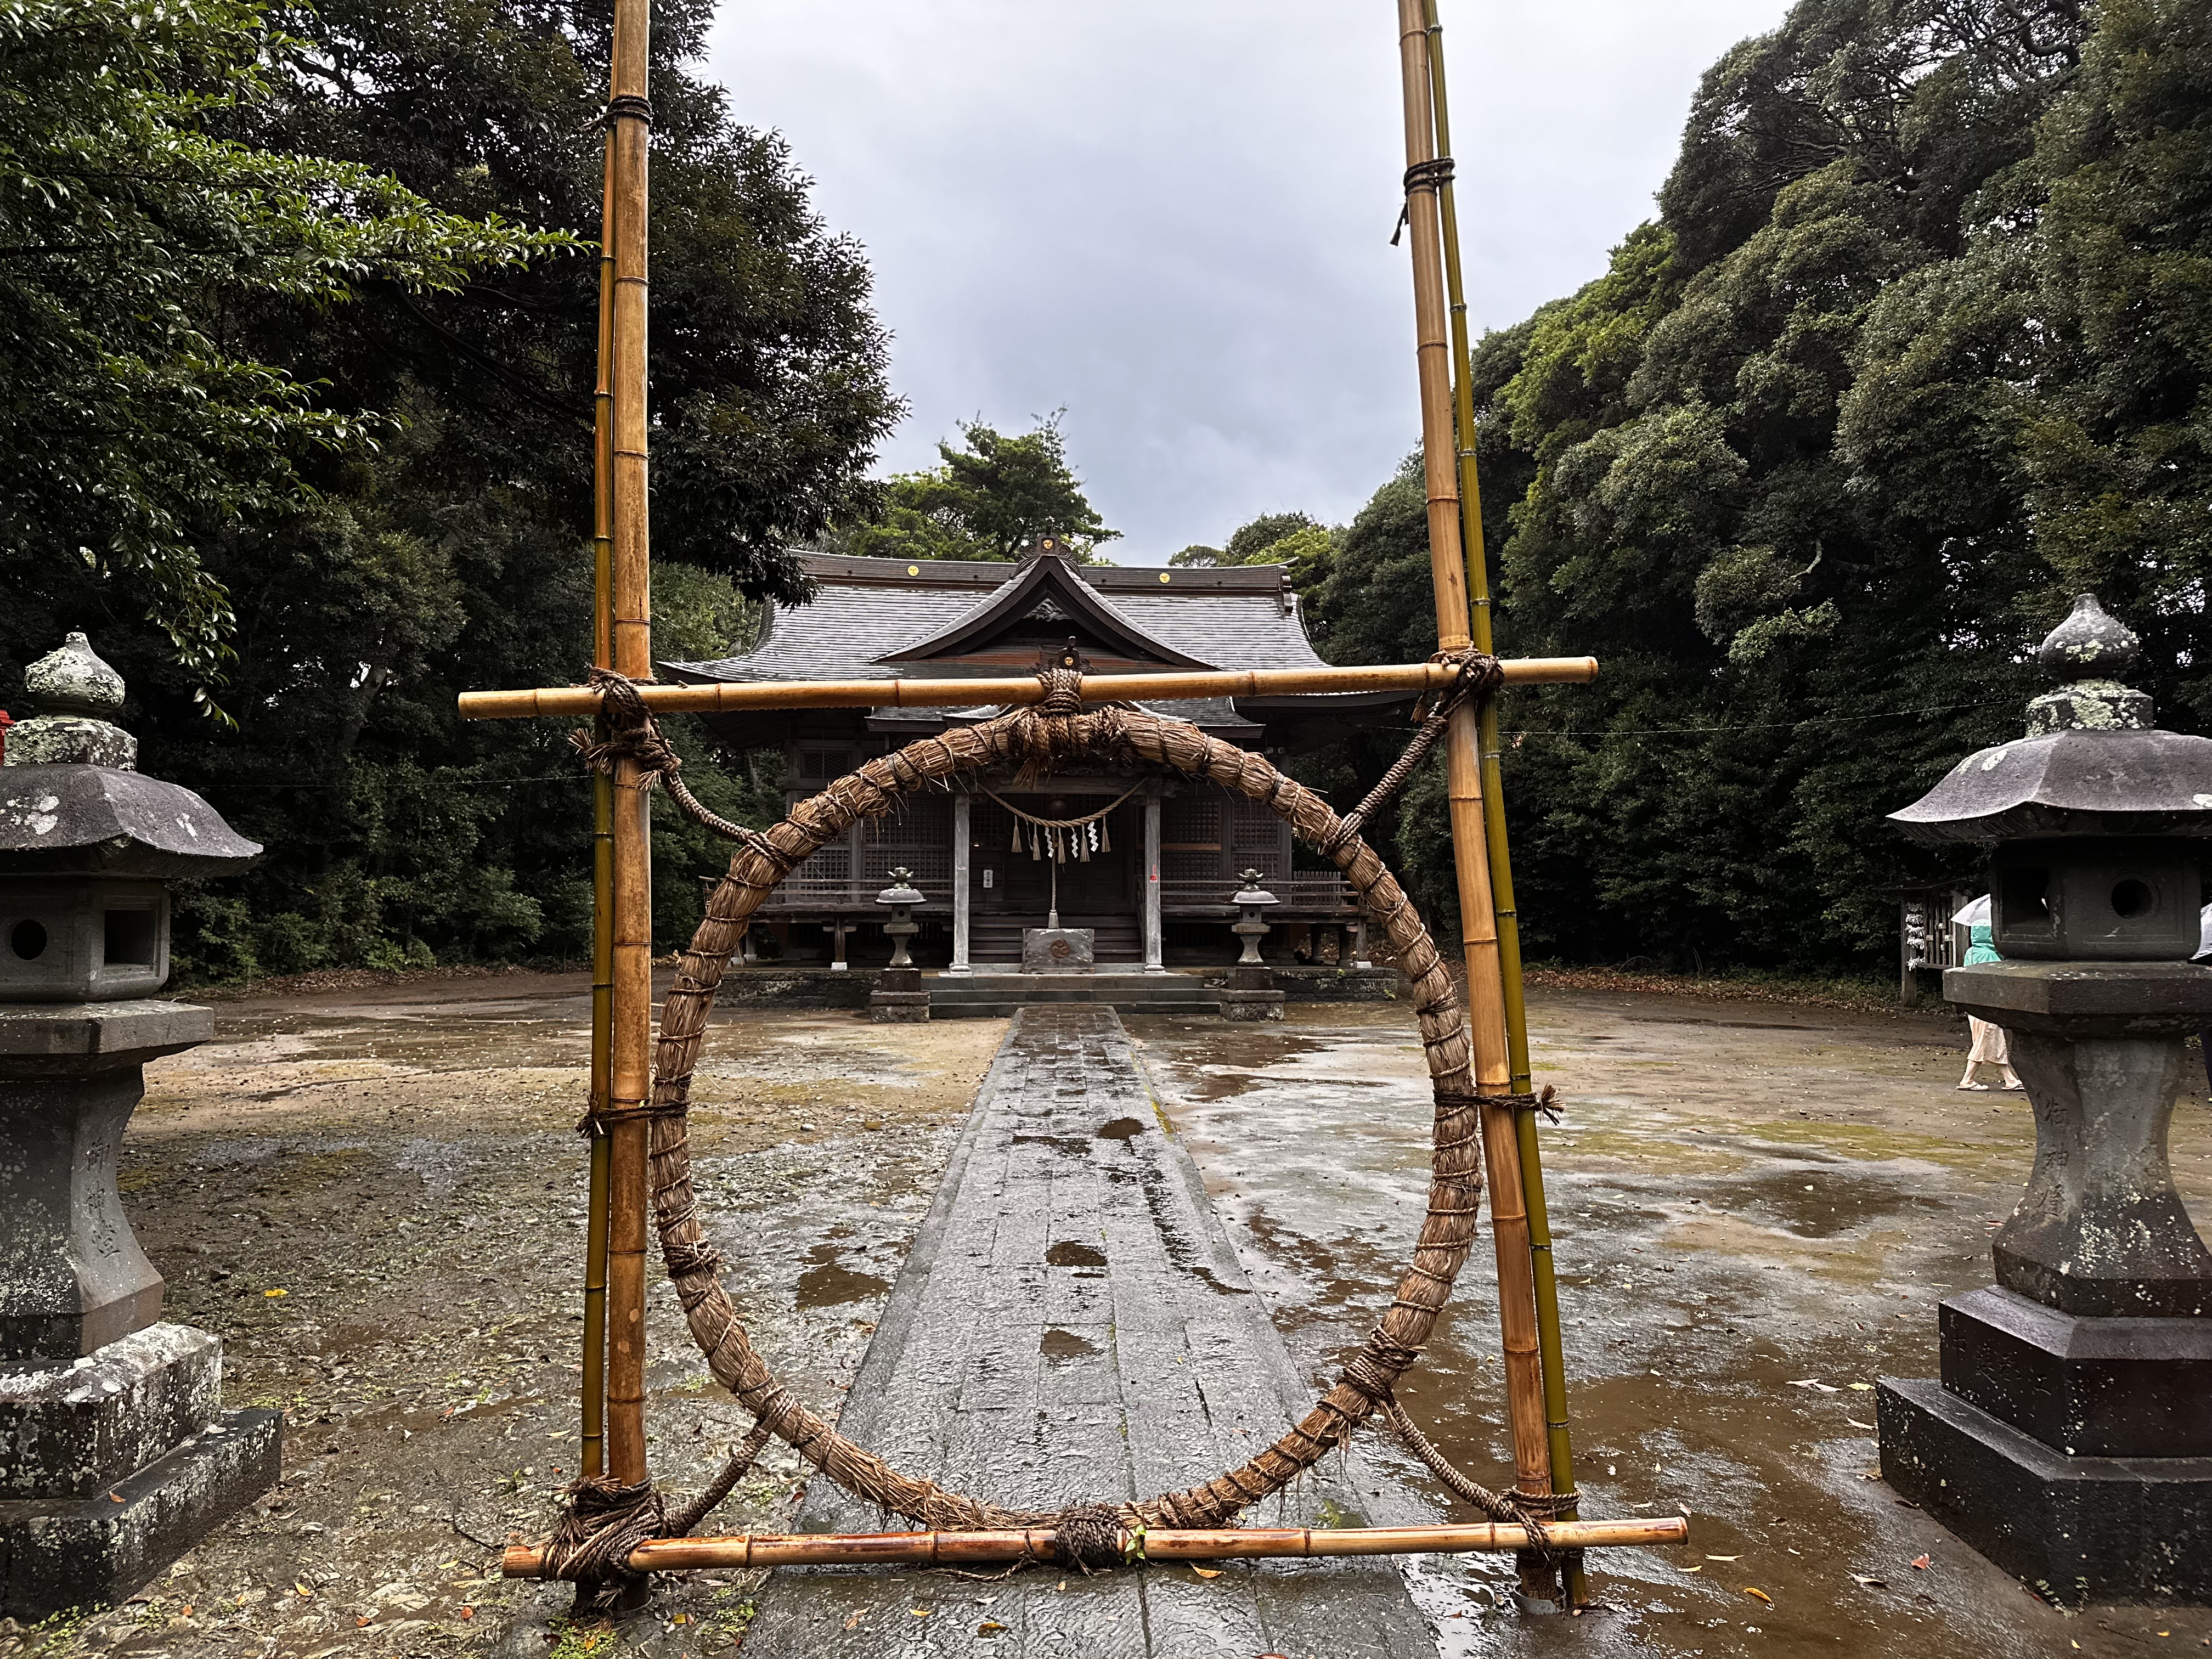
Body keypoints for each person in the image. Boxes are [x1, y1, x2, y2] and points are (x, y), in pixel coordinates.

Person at [1957, 919, 2023, 1091]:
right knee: (1985, 1040)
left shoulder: (1971, 952)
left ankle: (2010, 1080)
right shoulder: (1988, 955)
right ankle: (1967, 1080)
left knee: (1993, 1040)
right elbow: (2000, 976)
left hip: (1973, 1005)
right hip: (1986, 1007)